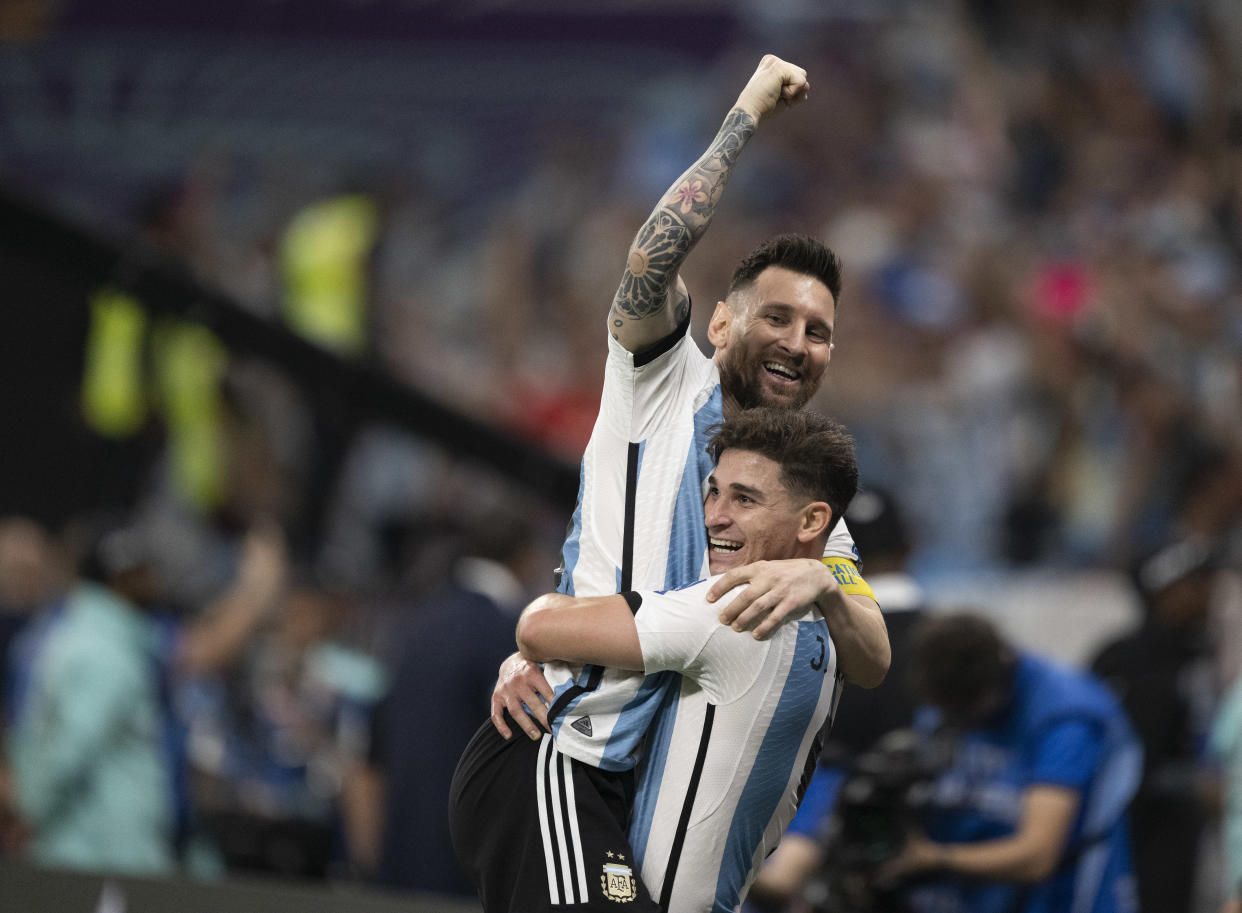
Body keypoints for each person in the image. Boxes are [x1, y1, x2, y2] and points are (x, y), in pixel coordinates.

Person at [451, 407, 859, 912]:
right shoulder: (839, 630)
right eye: (714, 491)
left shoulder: (730, 610)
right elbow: (874, 656)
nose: (714, 515)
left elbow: (538, 626)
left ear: (814, 520)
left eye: (745, 499)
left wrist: (520, 657)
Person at [7, 512, 286, 876]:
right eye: (132, 574)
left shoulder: (118, 630)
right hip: (95, 859)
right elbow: (56, 764)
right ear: (106, 577)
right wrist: (256, 588)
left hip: (116, 857)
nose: (146, 581)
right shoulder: (98, 644)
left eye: (144, 570)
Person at [877, 612, 1140, 913]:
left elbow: (1037, 856)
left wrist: (933, 858)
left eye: (963, 713)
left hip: (1062, 897)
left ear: (992, 688)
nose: (955, 722)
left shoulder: (1066, 718)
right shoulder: (947, 700)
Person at [748, 486, 927, 910]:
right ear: (908, 547)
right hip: (906, 852)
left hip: (800, 820)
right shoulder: (939, 642)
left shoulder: (784, 628)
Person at [1090, 537, 1220, 913]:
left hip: (1185, 834)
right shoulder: (1124, 662)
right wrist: (1189, 784)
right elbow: (1118, 762)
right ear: (1167, 591)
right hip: (1135, 836)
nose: (1209, 592)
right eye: (1198, 582)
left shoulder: (1200, 651)